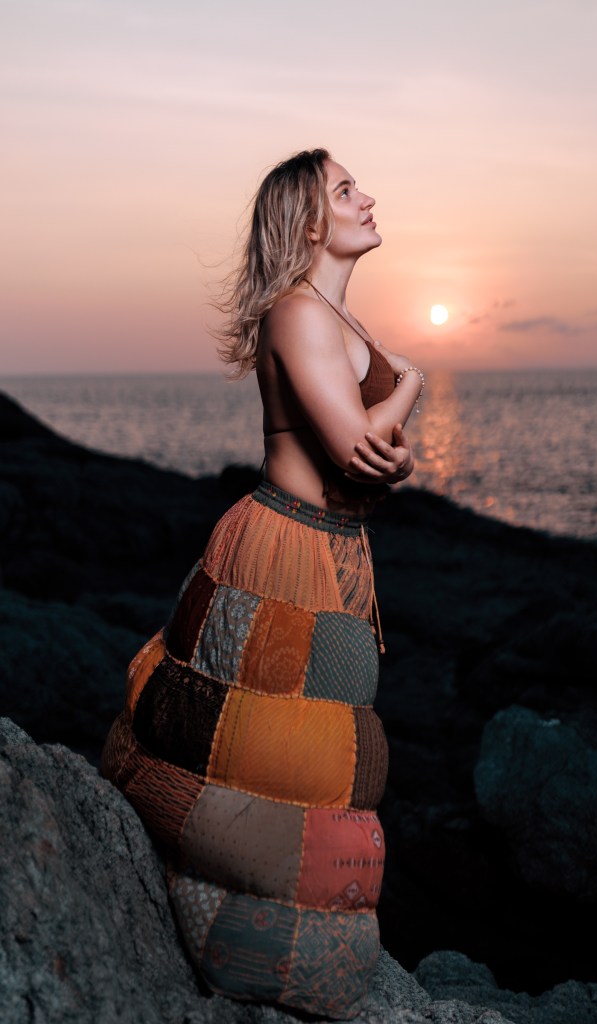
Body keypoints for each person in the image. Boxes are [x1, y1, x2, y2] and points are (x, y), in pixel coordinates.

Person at [101, 148, 424, 1019]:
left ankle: (269, 927)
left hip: (333, 552)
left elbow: (370, 467)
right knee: (257, 741)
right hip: (279, 550)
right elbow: (359, 449)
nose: (367, 197)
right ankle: (223, 925)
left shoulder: (328, 316)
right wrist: (413, 390)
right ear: (310, 222)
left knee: (321, 751)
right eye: (347, 190)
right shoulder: (297, 314)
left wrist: (385, 434)